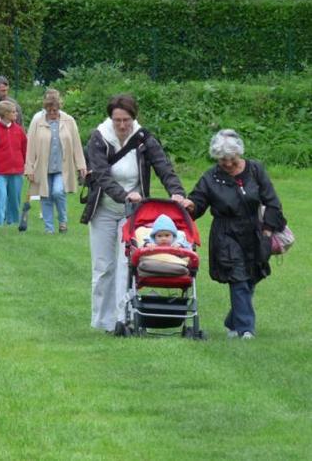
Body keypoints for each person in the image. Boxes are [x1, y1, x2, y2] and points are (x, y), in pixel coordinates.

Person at [81, 94, 186, 334]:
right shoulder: (99, 138)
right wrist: (123, 194)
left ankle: (123, 317)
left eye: (126, 120)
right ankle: (103, 321)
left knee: (127, 264)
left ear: (134, 118)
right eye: (117, 120)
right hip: (105, 208)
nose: (121, 125)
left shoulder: (143, 138)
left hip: (133, 213)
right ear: (111, 118)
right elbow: (102, 175)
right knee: (103, 266)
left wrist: (177, 192)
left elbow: (163, 166)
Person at [184, 129, 287, 340]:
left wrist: (267, 232)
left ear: (239, 154)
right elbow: (198, 204)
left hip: (255, 231)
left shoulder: (255, 170)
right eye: (222, 160)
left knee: (253, 276)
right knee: (238, 277)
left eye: (231, 159)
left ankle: (233, 320)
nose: (228, 164)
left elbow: (273, 202)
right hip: (226, 233)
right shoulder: (210, 177)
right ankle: (245, 329)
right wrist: (190, 205)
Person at [24, 91, 86, 234]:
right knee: (45, 196)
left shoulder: (68, 120)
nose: (52, 113)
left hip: (62, 167)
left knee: (58, 192)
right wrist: (29, 168)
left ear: (59, 108)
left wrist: (81, 165)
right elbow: (30, 146)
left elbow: (76, 143)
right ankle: (49, 228)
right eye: (49, 110)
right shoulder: (37, 122)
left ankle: (63, 221)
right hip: (42, 167)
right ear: (45, 109)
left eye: (55, 110)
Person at [0, 100, 27, 226]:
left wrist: (26, 165)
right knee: (0, 197)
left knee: (14, 199)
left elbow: (25, 148)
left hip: (16, 170)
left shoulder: (19, 130)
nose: (16, 114)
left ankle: (12, 222)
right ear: (5, 113)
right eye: (13, 112)